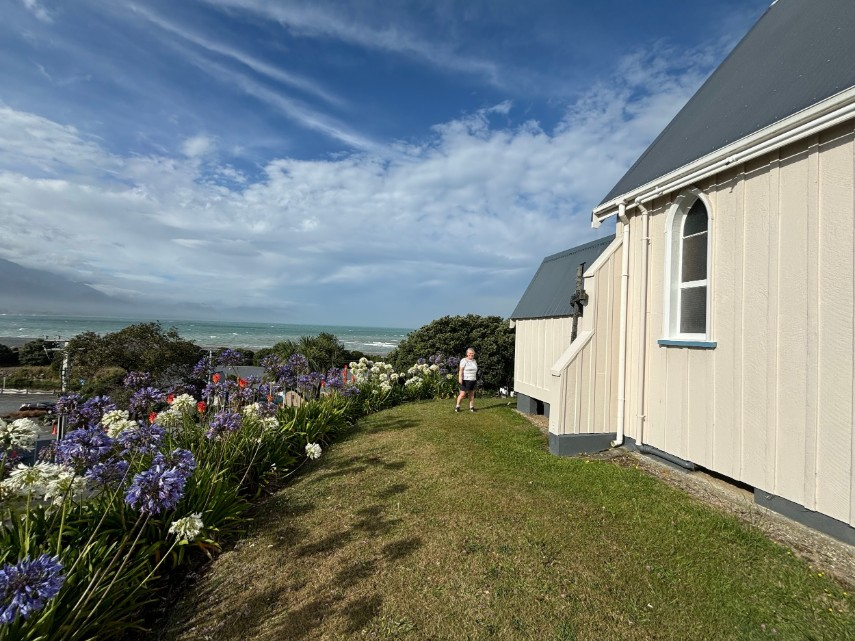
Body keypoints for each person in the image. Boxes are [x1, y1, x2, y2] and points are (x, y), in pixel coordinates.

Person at [455, 348, 478, 413]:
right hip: (465, 380)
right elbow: (461, 370)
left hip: (473, 379)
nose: (471, 354)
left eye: (472, 353)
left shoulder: (474, 361)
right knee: (462, 394)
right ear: (467, 353)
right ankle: (457, 406)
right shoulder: (464, 360)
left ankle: (471, 407)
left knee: (471, 394)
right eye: (470, 353)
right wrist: (460, 378)